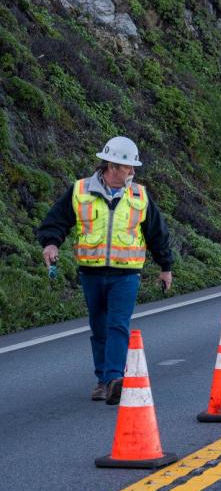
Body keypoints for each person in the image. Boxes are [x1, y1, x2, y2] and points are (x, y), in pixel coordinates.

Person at [37, 136, 174, 404]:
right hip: (91, 273)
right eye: (128, 167)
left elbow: (157, 233)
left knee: (117, 325)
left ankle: (114, 380)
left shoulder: (139, 195)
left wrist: (165, 267)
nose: (132, 172)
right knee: (99, 327)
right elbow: (57, 220)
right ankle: (102, 380)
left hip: (126, 275)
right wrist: (51, 244)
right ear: (111, 166)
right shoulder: (80, 191)